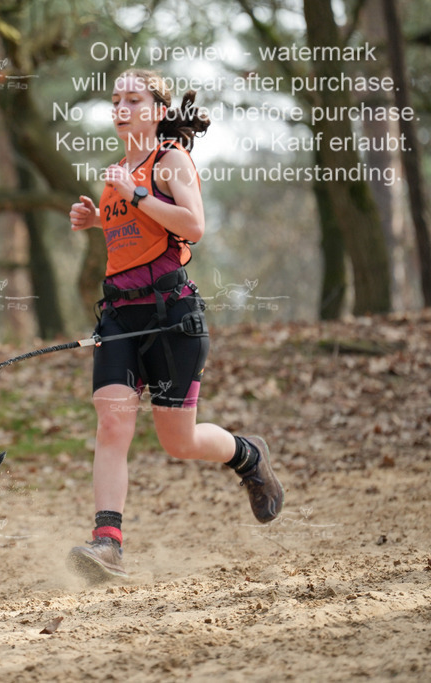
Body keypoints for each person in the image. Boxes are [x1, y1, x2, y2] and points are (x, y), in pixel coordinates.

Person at [66, 69, 284, 583]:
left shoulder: (171, 161)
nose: (121, 107)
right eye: (116, 99)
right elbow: (135, 235)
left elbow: (193, 226)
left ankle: (249, 454)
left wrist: (136, 196)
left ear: (158, 110)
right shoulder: (118, 169)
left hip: (171, 314)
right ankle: (108, 544)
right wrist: (99, 219)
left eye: (133, 99)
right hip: (120, 315)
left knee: (178, 442)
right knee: (112, 421)